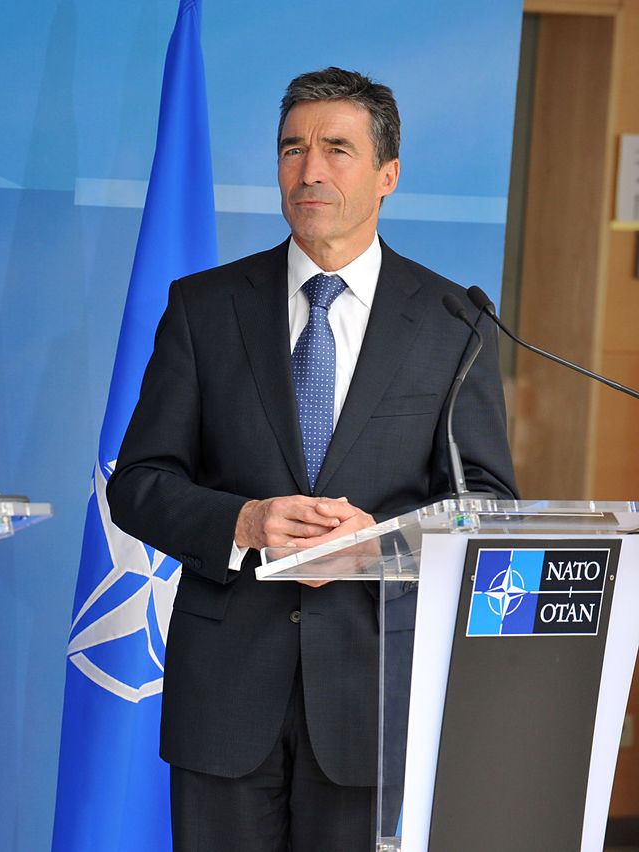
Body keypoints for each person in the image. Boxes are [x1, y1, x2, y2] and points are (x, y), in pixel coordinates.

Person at [106, 68, 518, 850]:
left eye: (337, 149)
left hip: (372, 689)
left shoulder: (452, 321)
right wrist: (245, 520)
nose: (311, 171)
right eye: (292, 150)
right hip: (225, 696)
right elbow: (138, 484)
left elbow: (488, 501)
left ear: (387, 175)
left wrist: (379, 545)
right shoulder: (204, 306)